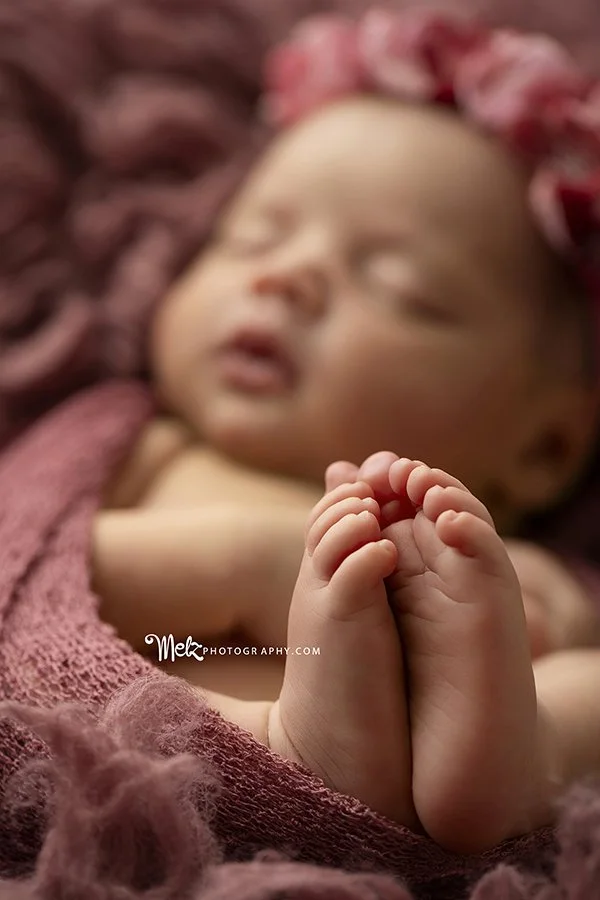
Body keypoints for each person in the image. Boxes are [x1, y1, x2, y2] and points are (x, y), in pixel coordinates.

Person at [91, 9, 600, 854]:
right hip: (183, 751)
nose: (284, 276)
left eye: (402, 289)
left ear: (544, 448)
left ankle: (521, 759)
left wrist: (531, 643)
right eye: (253, 237)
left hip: (440, 784)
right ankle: (288, 741)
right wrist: (253, 568)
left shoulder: (497, 569)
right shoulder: (146, 453)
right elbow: (33, 569)